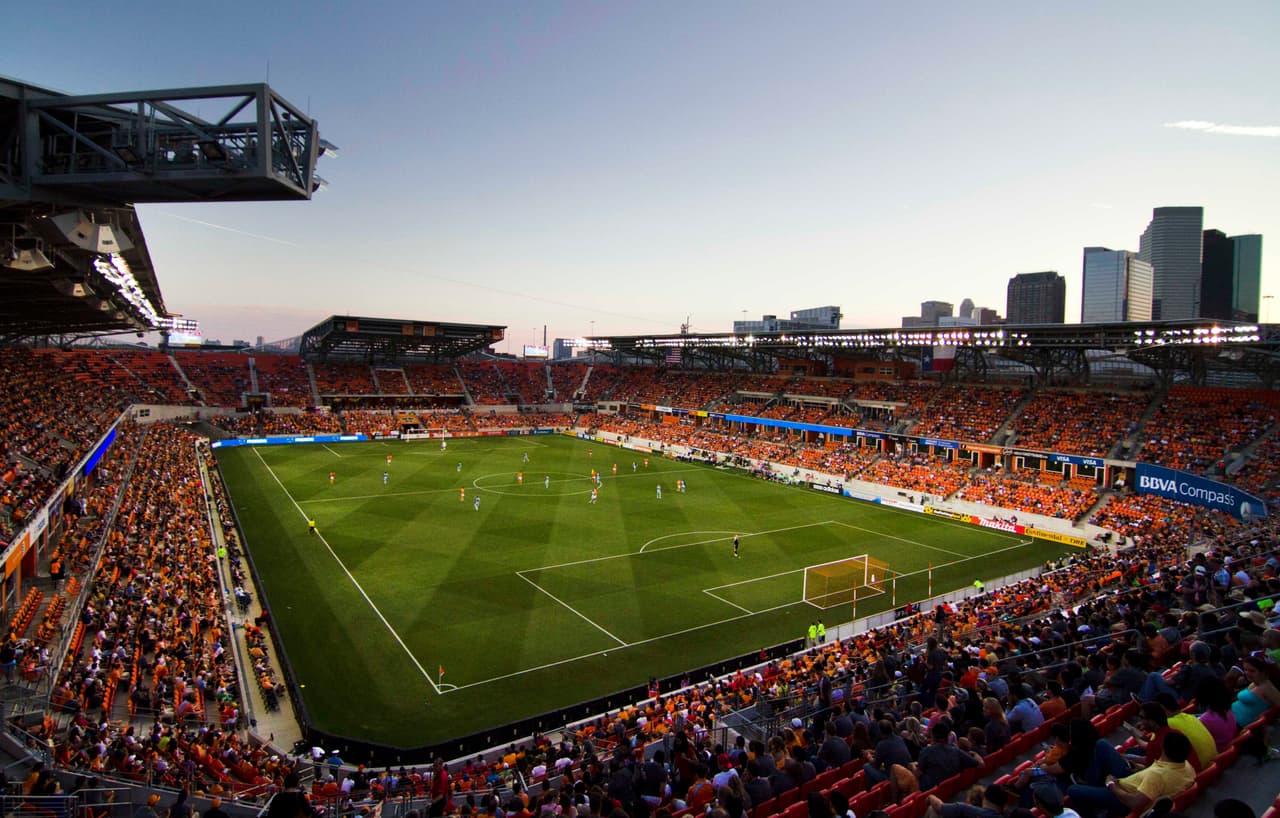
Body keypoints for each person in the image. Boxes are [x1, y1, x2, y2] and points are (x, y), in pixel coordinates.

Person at [1066, 731, 1194, 818]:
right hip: (1133, 780)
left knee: (1072, 790)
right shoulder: (1187, 766)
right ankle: (1092, 786)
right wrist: (1140, 769)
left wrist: (1111, 785)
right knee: (1102, 745)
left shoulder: (1157, 776)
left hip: (1121, 797)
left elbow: (1134, 803)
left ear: (1164, 748)